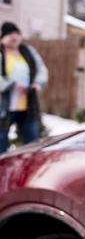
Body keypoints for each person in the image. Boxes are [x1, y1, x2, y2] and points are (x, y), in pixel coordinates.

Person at [1, 22, 48, 153]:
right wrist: (12, 84)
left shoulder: (28, 51)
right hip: (3, 109)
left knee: (33, 146)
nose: (14, 37)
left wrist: (38, 83)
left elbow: (41, 69)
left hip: (27, 106)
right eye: (10, 34)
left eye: (17, 33)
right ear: (3, 37)